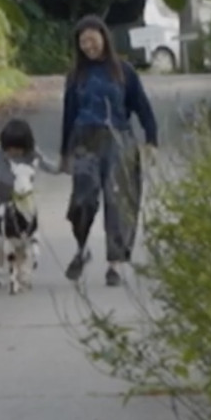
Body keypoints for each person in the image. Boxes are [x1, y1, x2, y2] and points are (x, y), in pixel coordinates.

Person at [59, 14, 159, 287]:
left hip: (119, 140)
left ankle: (114, 264)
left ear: (104, 37)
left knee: (118, 203)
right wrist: (64, 153)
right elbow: (68, 114)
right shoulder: (75, 75)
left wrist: (151, 139)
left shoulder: (124, 71)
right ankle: (82, 248)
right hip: (84, 141)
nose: (89, 46)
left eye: (93, 40)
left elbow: (142, 106)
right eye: (83, 42)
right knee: (82, 201)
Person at [0, 118, 61, 202]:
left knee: (28, 211)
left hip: (22, 192)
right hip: (2, 191)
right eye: (9, 149)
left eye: (18, 150)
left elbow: (47, 165)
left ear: (26, 147)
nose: (13, 153)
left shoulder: (32, 153)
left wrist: (62, 167)